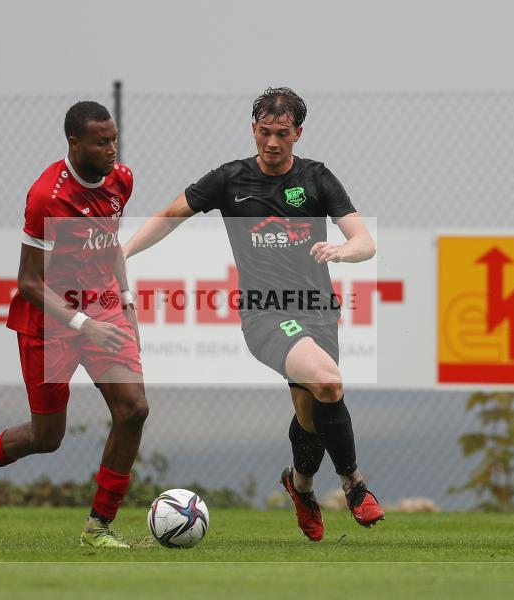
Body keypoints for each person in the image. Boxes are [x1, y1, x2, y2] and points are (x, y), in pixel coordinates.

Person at [124, 87, 383, 541]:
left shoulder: (317, 178)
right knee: (328, 382)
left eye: (283, 133)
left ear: (298, 133)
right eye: (265, 132)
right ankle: (354, 485)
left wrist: (344, 251)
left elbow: (365, 241)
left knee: (312, 413)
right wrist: (123, 253)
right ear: (253, 129)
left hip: (319, 313)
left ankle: (299, 486)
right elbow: (170, 214)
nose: (272, 142)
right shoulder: (230, 179)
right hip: (265, 315)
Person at [0, 101, 148, 548]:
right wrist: (83, 324)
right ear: (74, 143)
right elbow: (27, 282)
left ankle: (98, 527)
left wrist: (127, 303)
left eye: (114, 138)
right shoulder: (47, 197)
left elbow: (110, 243)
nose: (112, 149)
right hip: (50, 321)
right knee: (47, 436)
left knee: (133, 410)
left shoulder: (122, 180)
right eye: (102, 142)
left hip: (101, 310)